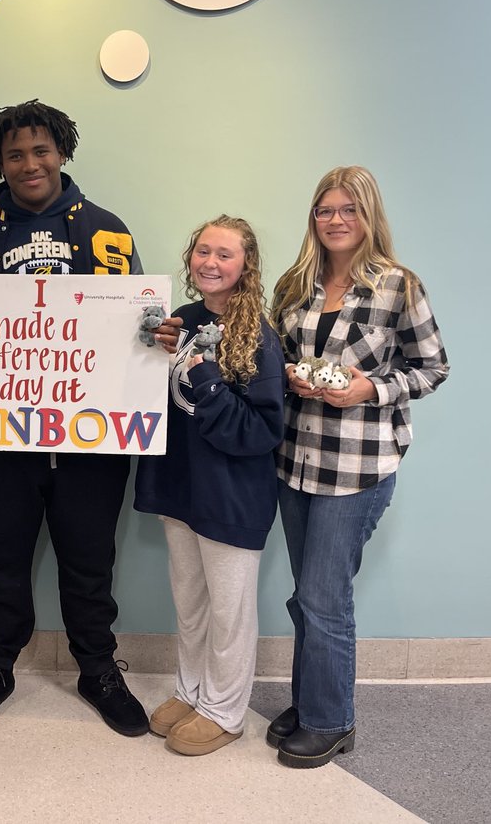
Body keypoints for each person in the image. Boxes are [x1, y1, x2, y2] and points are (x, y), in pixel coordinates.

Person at [0, 100, 174, 737]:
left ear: (62, 153)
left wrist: (157, 337)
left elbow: (131, 329)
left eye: (40, 150)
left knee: (89, 560)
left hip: (92, 439)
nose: (29, 163)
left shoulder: (107, 230)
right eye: (15, 153)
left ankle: (97, 669)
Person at [268, 165, 448, 768]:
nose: (336, 221)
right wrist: (289, 376)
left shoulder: (400, 286)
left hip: (358, 469)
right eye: (325, 210)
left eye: (349, 210)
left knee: (324, 597)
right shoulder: (295, 285)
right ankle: (312, 699)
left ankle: (331, 720)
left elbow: (432, 369)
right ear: (313, 218)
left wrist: (369, 389)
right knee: (305, 598)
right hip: (295, 461)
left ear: (368, 217)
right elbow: (273, 358)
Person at [134, 216, 285, 756]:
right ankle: (190, 690)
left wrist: (207, 378)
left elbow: (262, 431)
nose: (211, 263)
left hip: (231, 495)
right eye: (203, 251)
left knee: (229, 608)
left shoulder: (258, 335)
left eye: (225, 254)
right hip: (182, 489)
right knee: (191, 601)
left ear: (246, 266)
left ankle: (225, 710)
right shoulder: (183, 321)